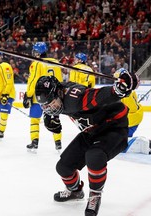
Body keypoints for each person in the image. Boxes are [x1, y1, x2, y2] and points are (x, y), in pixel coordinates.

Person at [34, 68, 139, 216]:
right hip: (91, 131)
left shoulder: (75, 98)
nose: (50, 108)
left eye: (50, 104)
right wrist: (50, 116)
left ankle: (95, 195)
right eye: (45, 106)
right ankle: (75, 192)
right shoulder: (58, 94)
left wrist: (119, 90)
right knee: (63, 167)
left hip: (113, 127)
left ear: (59, 94)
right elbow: (56, 107)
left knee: (94, 156)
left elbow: (101, 96)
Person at [22, 42, 63, 152]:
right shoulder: (55, 62)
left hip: (39, 97)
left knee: (35, 120)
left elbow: (33, 80)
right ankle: (58, 143)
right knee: (55, 120)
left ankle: (34, 142)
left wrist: (28, 95)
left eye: (35, 51)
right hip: (53, 98)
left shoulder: (36, 63)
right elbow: (60, 80)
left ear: (38, 52)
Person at [120, 90, 151, 154]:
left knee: (121, 140)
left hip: (131, 120)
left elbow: (131, 109)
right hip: (130, 119)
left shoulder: (126, 93)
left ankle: (146, 145)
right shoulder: (126, 92)